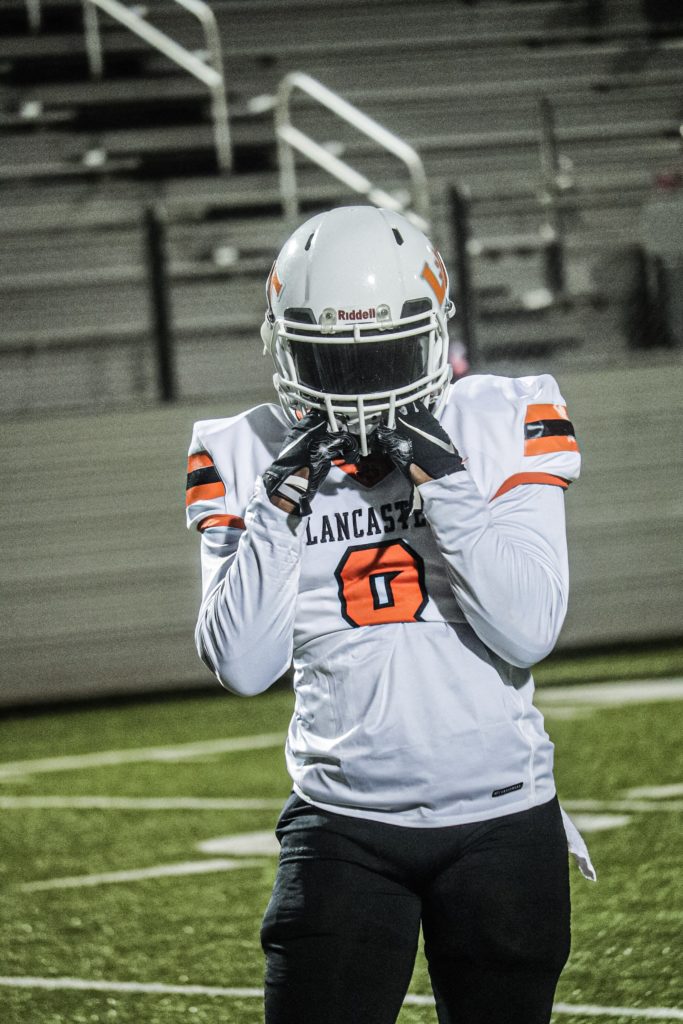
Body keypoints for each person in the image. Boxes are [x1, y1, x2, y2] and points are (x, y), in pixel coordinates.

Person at [185, 206, 595, 1024]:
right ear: (284, 347)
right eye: (332, 360)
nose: (362, 386)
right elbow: (242, 666)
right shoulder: (243, 447)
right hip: (341, 821)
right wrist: (275, 514)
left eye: (382, 354)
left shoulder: (496, 416)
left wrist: (448, 487)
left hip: (500, 816)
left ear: (436, 334)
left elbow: (526, 630)